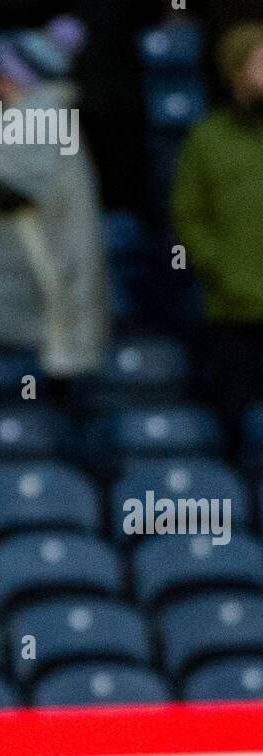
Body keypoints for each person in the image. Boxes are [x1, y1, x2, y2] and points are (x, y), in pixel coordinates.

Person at [0, 20, 109, 401]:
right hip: (33, 287)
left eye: (3, 75)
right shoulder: (38, 114)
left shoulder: (34, 117)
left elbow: (11, 192)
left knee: (34, 396)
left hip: (37, 286)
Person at [173, 21, 263, 448]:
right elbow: (187, 216)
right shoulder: (207, 139)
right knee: (236, 428)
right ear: (236, 72)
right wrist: (221, 266)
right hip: (232, 313)